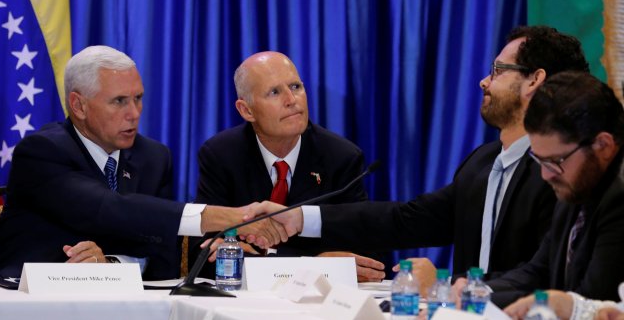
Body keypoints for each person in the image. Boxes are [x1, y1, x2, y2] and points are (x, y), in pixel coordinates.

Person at [244, 26, 590, 295]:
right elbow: (406, 219)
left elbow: (548, 276)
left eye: (498, 70)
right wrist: (298, 218)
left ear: (535, 80)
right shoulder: (482, 163)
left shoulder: (563, 173)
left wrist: (445, 284)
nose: (484, 80)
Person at [0, 46, 286, 281]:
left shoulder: (153, 158)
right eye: (119, 101)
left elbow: (162, 254)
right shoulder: (42, 151)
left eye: (138, 98)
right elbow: (110, 209)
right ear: (79, 105)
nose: (134, 113)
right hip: (20, 299)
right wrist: (237, 216)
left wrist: (112, 266)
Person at [190, 51, 385, 282]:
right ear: (246, 110)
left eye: (295, 87)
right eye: (274, 92)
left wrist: (254, 259)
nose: (292, 100)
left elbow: (364, 254)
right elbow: (203, 253)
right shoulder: (221, 155)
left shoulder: (341, 157)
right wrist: (316, 264)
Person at [458, 71, 624, 307]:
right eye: (539, 160)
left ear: (603, 145)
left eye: (554, 161)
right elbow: (538, 273)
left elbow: (592, 301)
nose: (545, 175)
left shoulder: (618, 197)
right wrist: (475, 291)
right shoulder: (579, 183)